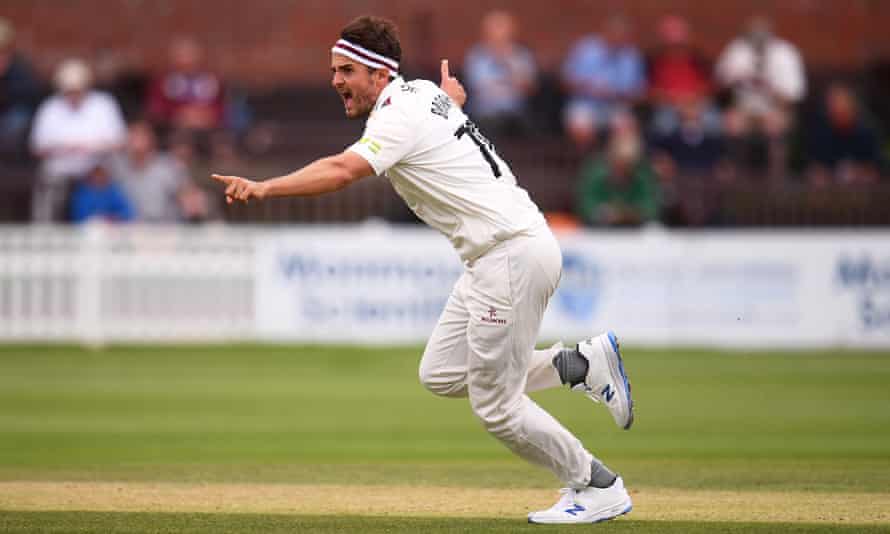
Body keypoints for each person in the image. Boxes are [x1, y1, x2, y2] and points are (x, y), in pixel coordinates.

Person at [212, 15, 635, 524]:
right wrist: (451, 98)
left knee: (496, 407)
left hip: (509, 255)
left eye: (346, 71)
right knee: (441, 373)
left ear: (378, 74)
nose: (335, 81)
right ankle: (578, 365)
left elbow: (343, 170)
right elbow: (441, 111)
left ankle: (597, 486)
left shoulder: (396, 115)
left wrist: (264, 187)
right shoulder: (420, 96)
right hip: (498, 256)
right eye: (333, 71)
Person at [29, 58, 126, 222]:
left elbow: (120, 141)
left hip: (97, 173)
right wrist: (65, 148)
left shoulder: (103, 104)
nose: (73, 94)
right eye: (69, 90)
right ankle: (47, 232)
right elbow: (36, 147)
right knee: (48, 184)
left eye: (77, 89)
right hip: (59, 173)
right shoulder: (50, 107)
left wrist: (90, 147)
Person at [715, 16, 805, 179]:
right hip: (743, 109)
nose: (758, 37)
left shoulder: (786, 53)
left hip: (777, 110)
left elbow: (794, 96)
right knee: (731, 123)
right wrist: (737, 79)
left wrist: (769, 88)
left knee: (774, 125)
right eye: (753, 33)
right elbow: (720, 85)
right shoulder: (736, 50)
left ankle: (776, 181)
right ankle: (737, 179)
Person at [561, 15, 646, 152]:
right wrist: (586, 86)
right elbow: (565, 82)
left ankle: (615, 169)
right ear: (605, 32)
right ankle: (588, 166)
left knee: (628, 130)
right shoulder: (585, 49)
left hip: (616, 105)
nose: (617, 40)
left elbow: (639, 93)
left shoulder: (631, 55)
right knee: (580, 129)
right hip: (584, 103)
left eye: (622, 37)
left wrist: (615, 93)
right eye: (614, 35)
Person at [110, 121, 208, 222]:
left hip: (165, 227)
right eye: (133, 136)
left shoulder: (169, 166)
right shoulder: (117, 167)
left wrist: (192, 203)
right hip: (129, 228)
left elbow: (188, 194)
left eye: (141, 136)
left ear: (151, 139)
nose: (136, 141)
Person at [463, 10, 537, 138]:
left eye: (502, 29)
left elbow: (528, 87)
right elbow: (479, 88)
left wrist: (508, 63)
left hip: (517, 114)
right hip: (485, 115)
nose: (499, 35)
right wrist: (511, 84)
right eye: (494, 30)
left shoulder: (522, 55)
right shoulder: (476, 56)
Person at [578, 115, 660, 226]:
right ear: (612, 159)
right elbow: (585, 205)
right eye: (620, 164)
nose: (623, 169)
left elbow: (652, 207)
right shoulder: (595, 172)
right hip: (599, 231)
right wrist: (605, 214)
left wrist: (632, 214)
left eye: (628, 165)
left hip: (635, 231)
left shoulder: (643, 174)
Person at [805, 83, 885, 186]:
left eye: (842, 109)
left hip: (863, 191)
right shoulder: (821, 133)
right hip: (829, 192)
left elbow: (876, 170)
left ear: (852, 108)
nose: (837, 112)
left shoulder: (867, 132)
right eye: (833, 109)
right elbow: (813, 170)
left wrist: (857, 173)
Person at [0, 17, 40, 158]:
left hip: (13, 114)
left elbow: (29, 95)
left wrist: (4, 76)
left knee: (16, 122)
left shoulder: (20, 67)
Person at [69, 159, 134, 224]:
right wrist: (98, 219)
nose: (99, 177)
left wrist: (113, 218)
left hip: (113, 229)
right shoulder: (82, 193)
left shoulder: (113, 190)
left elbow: (128, 212)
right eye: (96, 173)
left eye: (101, 173)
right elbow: (78, 216)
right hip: (88, 230)